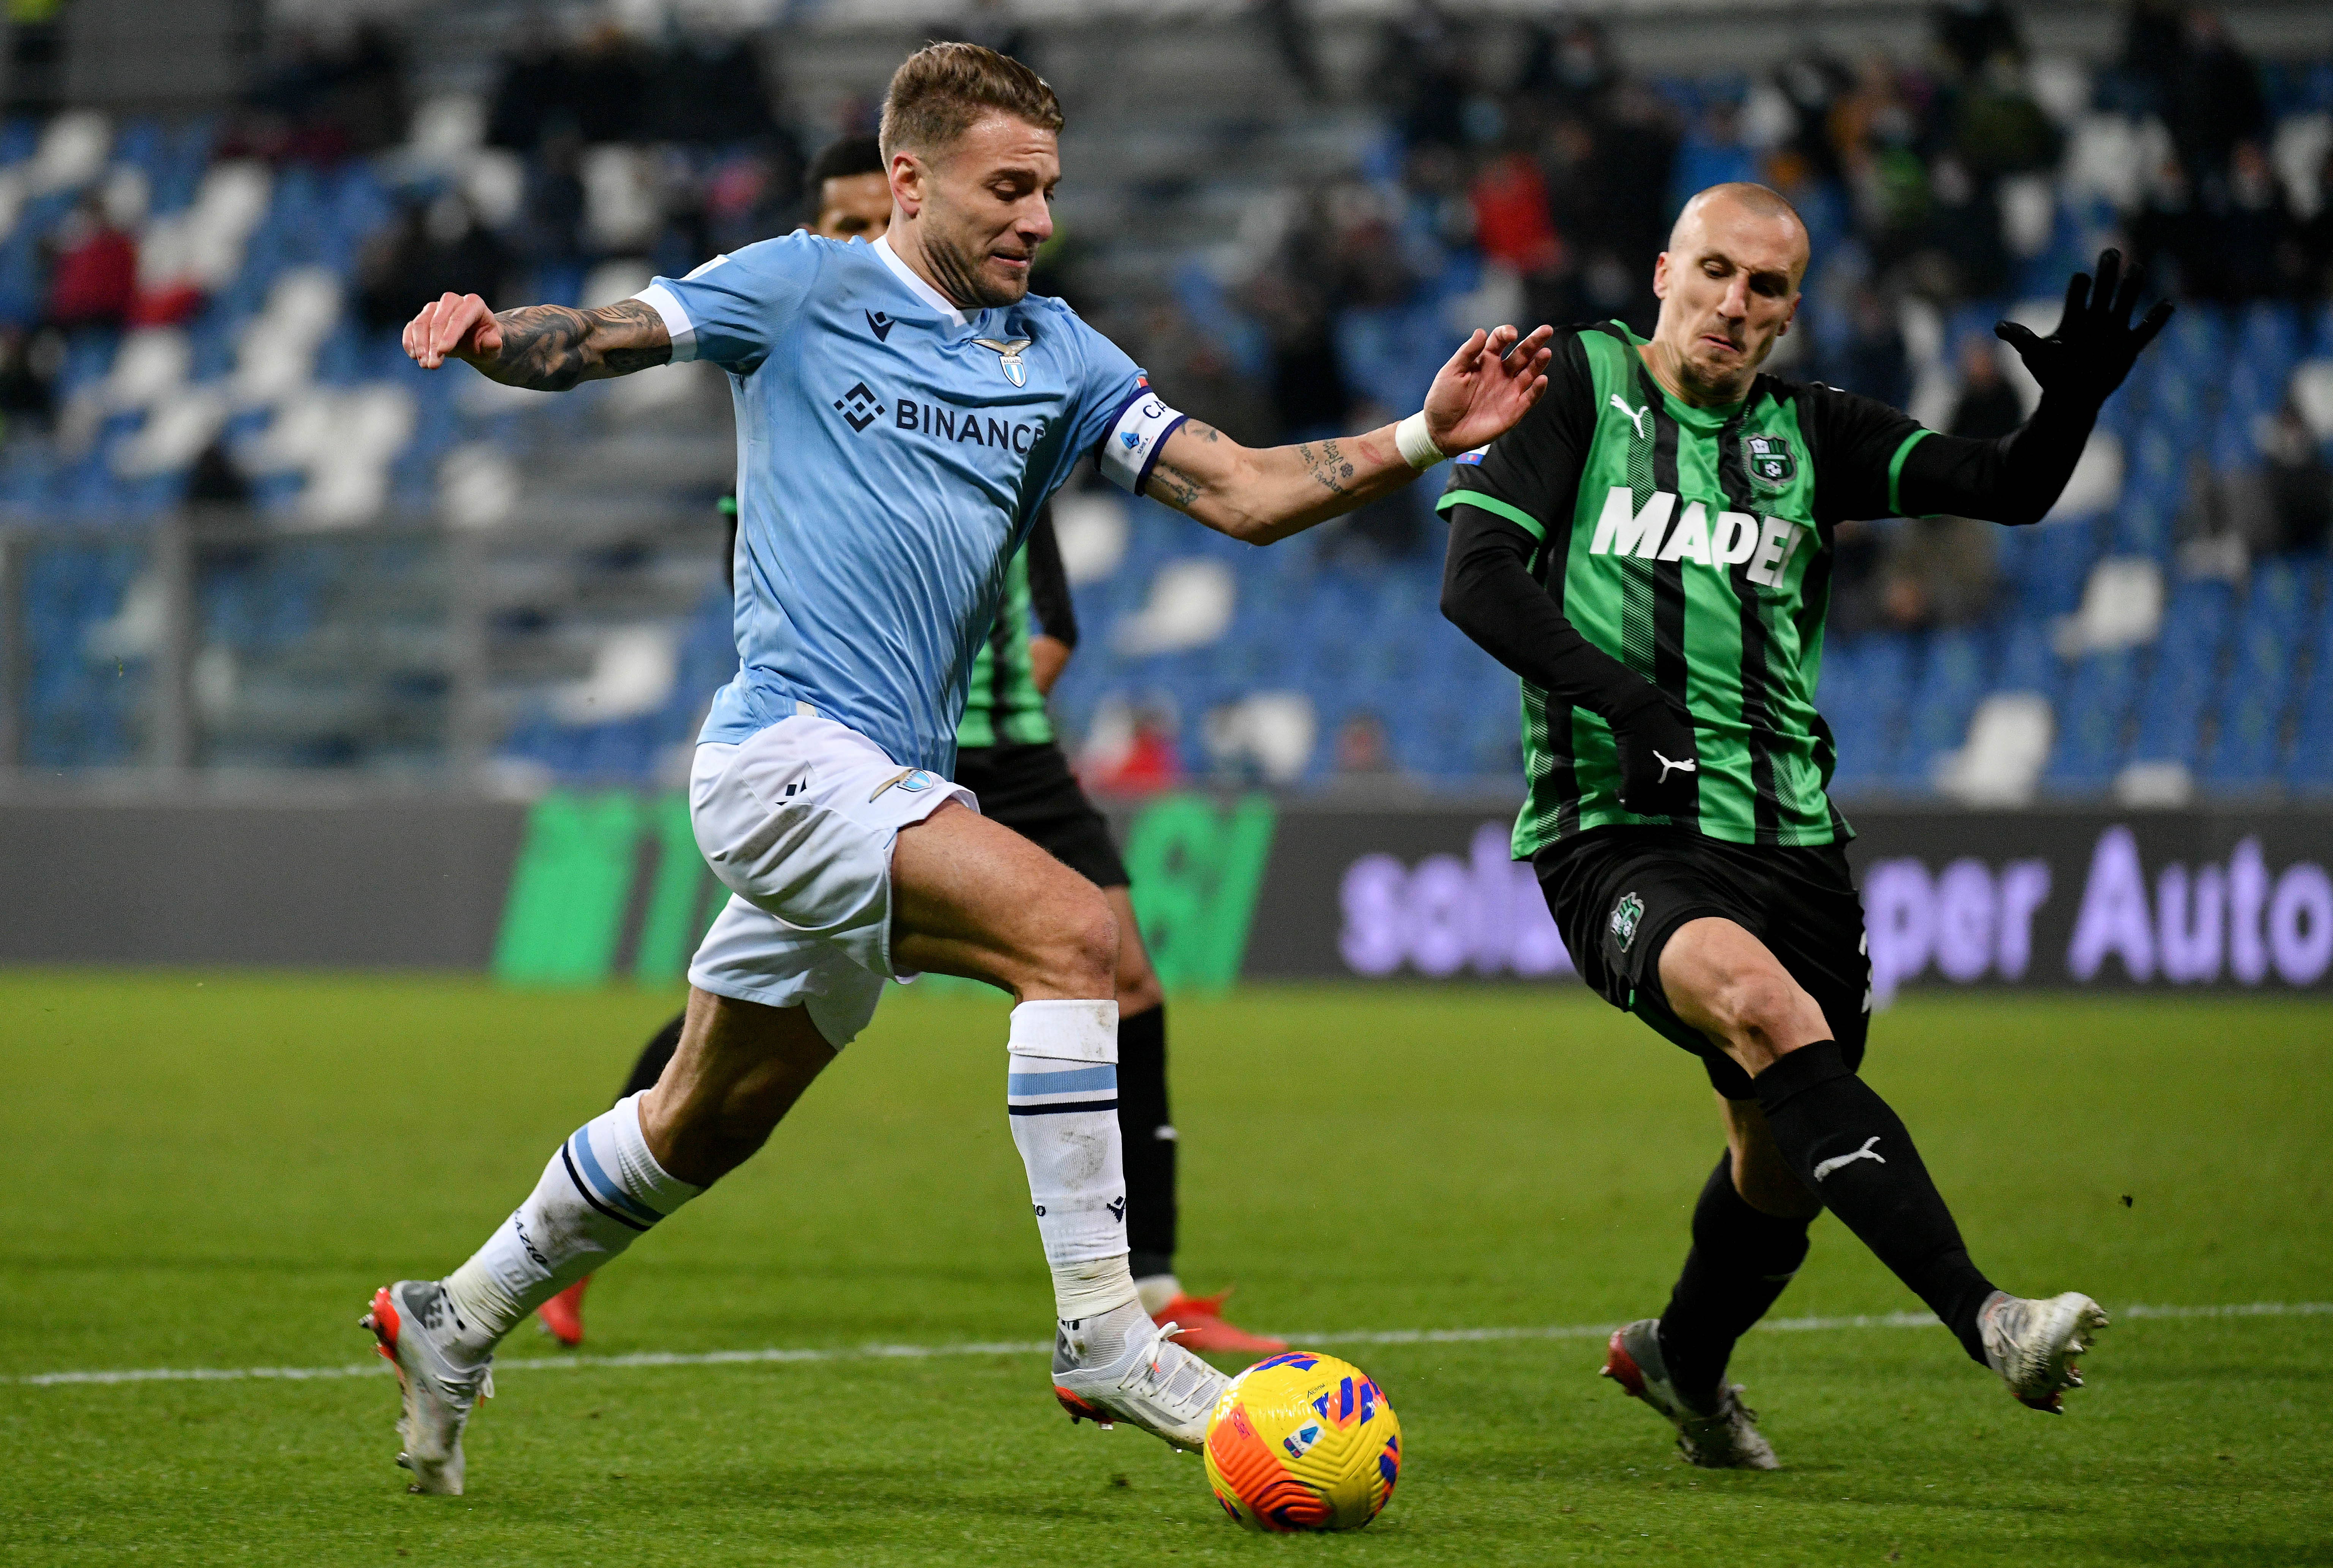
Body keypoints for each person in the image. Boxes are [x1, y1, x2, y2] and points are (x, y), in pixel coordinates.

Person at [375, 41, 1551, 1495]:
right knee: (1077, 934)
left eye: (1049, 189)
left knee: (703, 1119)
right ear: (912, 180)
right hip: (785, 755)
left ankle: (455, 1314)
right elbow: (600, 336)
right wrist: (498, 340)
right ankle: (1108, 1332)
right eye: (1009, 188)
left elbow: (1243, 494)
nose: (1036, 220)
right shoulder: (803, 287)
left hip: (886, 779)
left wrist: (1428, 432)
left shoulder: (1058, 354)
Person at [1436, 183, 2166, 1469]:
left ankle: (1683, 1362)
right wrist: (1630, 704)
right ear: (1665, 271)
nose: (1734, 303)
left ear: (1789, 311)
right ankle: (1990, 1317)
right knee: (1770, 1015)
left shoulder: (1812, 430)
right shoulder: (1582, 384)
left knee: (1776, 1167)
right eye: (1714, 272)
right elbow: (1475, 578)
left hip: (1795, 843)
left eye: (1765, 288)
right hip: (1619, 824)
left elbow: (2006, 490)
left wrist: (2076, 404)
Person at [530, 137, 1285, 1358]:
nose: (848, 246)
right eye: (833, 225)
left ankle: (1145, 1285)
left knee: (1116, 968)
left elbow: (1056, 613)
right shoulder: (796, 396)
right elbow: (775, 599)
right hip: (835, 750)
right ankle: (1107, 1333)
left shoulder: (1013, 389)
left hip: (994, 752)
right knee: (755, 1046)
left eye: (860, 222)